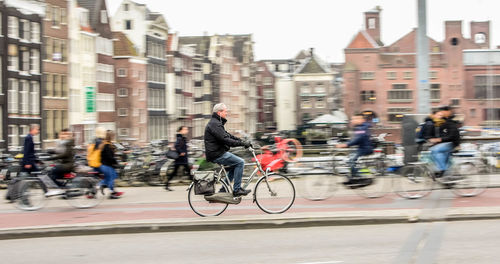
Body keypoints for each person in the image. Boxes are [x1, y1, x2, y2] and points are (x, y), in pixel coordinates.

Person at [204, 103, 252, 196]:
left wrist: (242, 141)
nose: (227, 113)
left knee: (235, 166)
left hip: (217, 152)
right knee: (240, 162)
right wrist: (242, 144)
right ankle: (237, 190)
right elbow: (226, 140)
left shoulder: (216, 123)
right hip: (217, 153)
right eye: (225, 111)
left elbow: (228, 135)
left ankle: (223, 189)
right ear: (219, 112)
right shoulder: (215, 124)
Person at [336, 113, 374, 185]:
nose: (353, 120)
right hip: (361, 148)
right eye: (352, 119)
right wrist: (346, 143)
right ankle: (352, 177)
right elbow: (355, 139)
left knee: (351, 159)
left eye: (355, 119)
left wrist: (346, 144)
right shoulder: (359, 127)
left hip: (365, 149)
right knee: (349, 158)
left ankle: (358, 177)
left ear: (362, 120)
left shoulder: (362, 128)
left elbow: (358, 139)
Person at [89, 128, 123, 199]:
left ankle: (111, 192)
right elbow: (109, 157)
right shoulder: (106, 145)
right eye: (113, 136)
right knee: (109, 179)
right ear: (110, 137)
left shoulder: (105, 144)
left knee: (110, 178)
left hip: (104, 165)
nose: (113, 137)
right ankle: (111, 193)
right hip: (106, 166)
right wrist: (117, 163)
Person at [428, 106, 461, 178]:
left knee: (435, 150)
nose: (441, 113)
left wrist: (439, 140)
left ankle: (442, 170)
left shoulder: (450, 121)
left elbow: (451, 135)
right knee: (437, 153)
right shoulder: (444, 121)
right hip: (447, 142)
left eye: (442, 112)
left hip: (452, 143)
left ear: (447, 111)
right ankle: (444, 174)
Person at [44, 129, 75, 196]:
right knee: (53, 175)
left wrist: (51, 158)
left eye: (66, 134)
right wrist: (49, 151)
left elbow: (64, 154)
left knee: (52, 171)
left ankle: (62, 187)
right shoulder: (67, 143)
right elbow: (59, 151)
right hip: (65, 164)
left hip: (67, 165)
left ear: (69, 136)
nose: (64, 136)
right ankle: (63, 188)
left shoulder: (69, 144)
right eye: (63, 134)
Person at [165, 126, 192, 191]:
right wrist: (181, 152)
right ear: (180, 130)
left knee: (178, 172)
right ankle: (194, 185)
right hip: (181, 159)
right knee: (188, 172)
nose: (186, 130)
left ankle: (166, 185)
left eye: (186, 129)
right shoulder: (180, 137)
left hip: (181, 159)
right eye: (185, 129)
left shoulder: (181, 137)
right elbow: (176, 145)